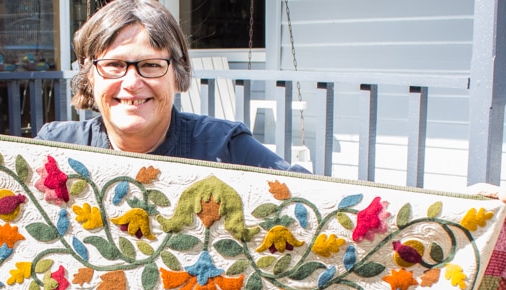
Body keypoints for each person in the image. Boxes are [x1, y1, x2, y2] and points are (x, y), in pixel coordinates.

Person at [35, 0, 311, 174]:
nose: (131, 83)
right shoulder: (56, 148)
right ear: (90, 73)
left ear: (177, 73)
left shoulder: (224, 148)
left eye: (152, 65)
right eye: (114, 65)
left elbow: (312, 197)